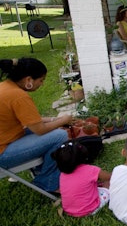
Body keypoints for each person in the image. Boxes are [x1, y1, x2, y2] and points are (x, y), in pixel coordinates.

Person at [0, 58, 72, 193]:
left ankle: (41, 170)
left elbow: (32, 121)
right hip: (3, 154)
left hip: (8, 140)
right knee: (60, 136)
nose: (42, 84)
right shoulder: (18, 96)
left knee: (54, 131)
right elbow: (39, 129)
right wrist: (63, 121)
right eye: (41, 80)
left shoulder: (6, 87)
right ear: (29, 80)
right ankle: (48, 181)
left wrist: (54, 119)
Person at [52, 141, 111, 217]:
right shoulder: (90, 170)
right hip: (89, 209)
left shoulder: (62, 175)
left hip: (69, 210)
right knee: (108, 184)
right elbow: (109, 177)